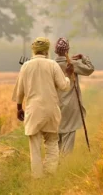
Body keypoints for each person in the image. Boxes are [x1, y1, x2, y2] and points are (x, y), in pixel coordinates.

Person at [12, 37, 73, 179]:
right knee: (52, 143)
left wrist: (19, 108)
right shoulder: (52, 65)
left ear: (33, 51)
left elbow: (20, 91)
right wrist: (68, 75)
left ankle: (38, 178)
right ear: (47, 50)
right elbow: (64, 86)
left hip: (33, 111)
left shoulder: (26, 66)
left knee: (35, 147)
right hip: (51, 110)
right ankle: (50, 174)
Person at [54, 37, 95, 156]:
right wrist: (83, 58)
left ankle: (56, 165)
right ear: (67, 50)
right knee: (68, 134)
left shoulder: (51, 65)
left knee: (56, 137)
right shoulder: (72, 63)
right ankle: (65, 166)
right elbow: (90, 69)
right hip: (71, 106)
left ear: (56, 51)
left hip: (55, 105)